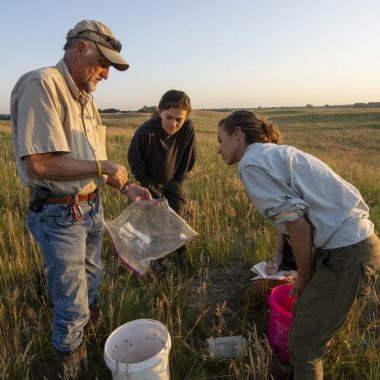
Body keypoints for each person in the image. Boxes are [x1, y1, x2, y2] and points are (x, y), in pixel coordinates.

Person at [10, 20, 151, 378]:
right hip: (60, 215)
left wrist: (124, 186)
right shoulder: (42, 84)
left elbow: (85, 165)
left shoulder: (86, 100)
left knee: (92, 284)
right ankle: (75, 371)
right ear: (80, 49)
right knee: (72, 307)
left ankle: (94, 345)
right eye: (104, 63)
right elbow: (39, 164)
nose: (106, 74)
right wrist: (103, 164)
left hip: (91, 208)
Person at [217, 110, 380, 380]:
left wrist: (303, 278)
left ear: (237, 134)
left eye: (221, 140)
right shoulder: (275, 153)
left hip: (347, 254)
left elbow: (300, 227)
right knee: (304, 321)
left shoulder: (250, 164)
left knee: (304, 345)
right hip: (353, 246)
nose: (219, 150)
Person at [128, 90, 196, 270]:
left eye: (179, 120)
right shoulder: (145, 131)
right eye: (169, 117)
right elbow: (134, 159)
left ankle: (182, 261)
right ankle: (160, 262)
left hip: (175, 181)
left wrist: (177, 182)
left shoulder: (188, 129)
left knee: (177, 222)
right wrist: (148, 186)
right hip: (150, 183)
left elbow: (188, 159)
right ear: (160, 112)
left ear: (186, 118)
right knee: (155, 223)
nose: (173, 124)